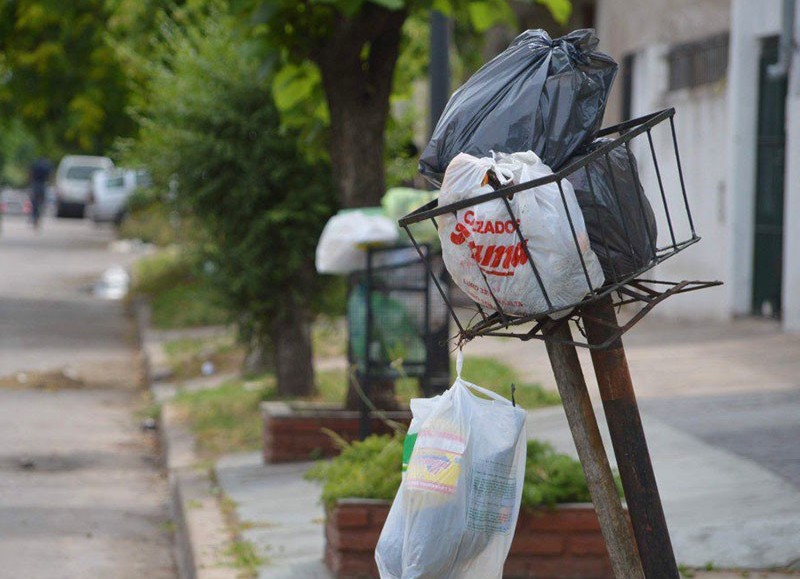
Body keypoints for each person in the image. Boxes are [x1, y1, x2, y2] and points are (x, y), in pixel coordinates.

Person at [29, 158, 51, 229]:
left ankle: (35, 217)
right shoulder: (46, 166)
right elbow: (49, 176)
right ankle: (38, 217)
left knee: (34, 203)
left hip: (35, 185)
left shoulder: (35, 164)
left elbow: (31, 174)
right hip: (43, 185)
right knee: (41, 203)